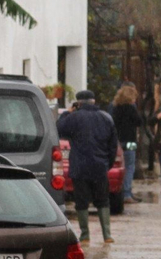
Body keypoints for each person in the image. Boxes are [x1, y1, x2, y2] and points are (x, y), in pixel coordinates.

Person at [56, 89, 119, 244]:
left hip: (80, 168)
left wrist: (67, 113)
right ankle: (107, 236)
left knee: (82, 202)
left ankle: (85, 236)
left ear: (78, 103)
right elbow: (113, 146)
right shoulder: (106, 118)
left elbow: (58, 128)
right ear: (93, 101)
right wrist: (107, 164)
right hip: (100, 167)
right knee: (103, 200)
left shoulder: (74, 118)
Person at [111, 83, 142, 201]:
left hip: (118, 142)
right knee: (129, 167)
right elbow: (139, 121)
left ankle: (120, 192)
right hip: (130, 142)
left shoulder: (115, 108)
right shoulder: (131, 108)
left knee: (119, 167)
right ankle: (127, 193)